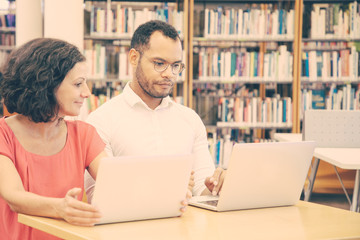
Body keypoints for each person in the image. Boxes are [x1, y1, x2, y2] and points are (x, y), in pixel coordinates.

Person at [85, 20, 226, 201]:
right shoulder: (101, 121)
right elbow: (98, 197)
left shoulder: (190, 119)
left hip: (184, 226)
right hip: (129, 228)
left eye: (176, 65)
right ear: (134, 58)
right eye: (159, 63)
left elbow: (200, 189)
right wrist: (164, 190)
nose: (169, 74)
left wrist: (219, 187)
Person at [0, 38, 108, 240]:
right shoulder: (3, 134)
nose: (87, 93)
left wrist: (168, 195)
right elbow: (13, 196)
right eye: (78, 84)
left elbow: (117, 181)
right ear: (46, 85)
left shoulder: (84, 134)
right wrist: (59, 207)